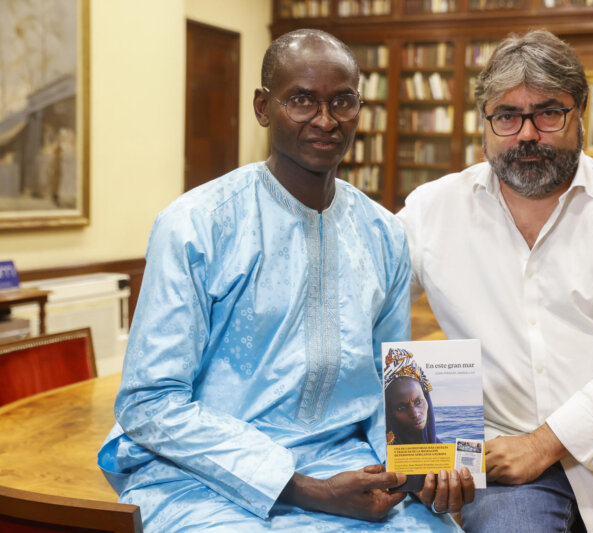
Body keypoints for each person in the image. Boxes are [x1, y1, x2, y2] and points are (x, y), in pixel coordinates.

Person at [98, 29, 472, 532]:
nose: (325, 120)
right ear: (263, 107)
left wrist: (426, 469)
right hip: (202, 475)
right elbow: (148, 402)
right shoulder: (196, 225)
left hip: (347, 463)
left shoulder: (383, 234)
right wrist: (307, 490)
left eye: (343, 102)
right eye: (301, 100)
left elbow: (392, 386)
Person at [397, 29, 593, 533]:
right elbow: (369, 315)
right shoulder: (431, 210)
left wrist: (542, 445)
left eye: (548, 113)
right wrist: (422, 448)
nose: (527, 134)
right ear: (483, 121)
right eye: (507, 116)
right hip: (498, 449)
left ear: (581, 113)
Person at [384, 347, 441, 445]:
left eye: (418, 402)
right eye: (401, 408)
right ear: (389, 412)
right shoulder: (384, 450)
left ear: (426, 399)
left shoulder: (439, 446)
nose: (415, 414)